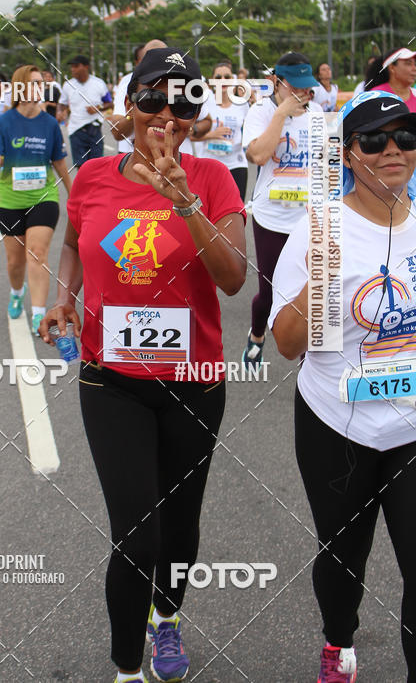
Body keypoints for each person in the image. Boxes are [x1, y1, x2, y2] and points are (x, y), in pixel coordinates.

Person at [40, 48, 246, 683]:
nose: (167, 114)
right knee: (137, 535)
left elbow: (234, 279)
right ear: (129, 108)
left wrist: (184, 199)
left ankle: (168, 623)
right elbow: (74, 241)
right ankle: (127, 667)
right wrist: (65, 298)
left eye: (184, 103)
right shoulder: (96, 176)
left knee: (181, 530)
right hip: (112, 382)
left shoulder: (213, 181)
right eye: (153, 100)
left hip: (193, 383)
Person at [269, 90, 416, 683]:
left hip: (411, 426)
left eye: (405, 139)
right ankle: (339, 642)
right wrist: (324, 276)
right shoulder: (317, 230)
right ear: (349, 155)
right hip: (336, 421)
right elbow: (285, 342)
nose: (392, 151)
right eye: (375, 141)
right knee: (343, 558)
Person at [241, 52, 323, 369]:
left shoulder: (317, 113)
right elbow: (259, 156)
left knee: (310, 291)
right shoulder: (260, 111)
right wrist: (281, 116)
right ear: (276, 82)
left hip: (308, 218)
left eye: (307, 87)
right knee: (270, 292)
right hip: (272, 217)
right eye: (295, 87)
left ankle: (309, 361)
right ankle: (258, 334)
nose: (302, 94)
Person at [0, 65, 72, 331]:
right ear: (20, 86)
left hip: (43, 197)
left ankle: (38, 313)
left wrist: (75, 195)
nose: (40, 88)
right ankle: (16, 292)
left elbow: (59, 162)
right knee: (15, 261)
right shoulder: (4, 121)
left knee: (37, 253)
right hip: (10, 201)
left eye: (41, 83)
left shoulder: (49, 123)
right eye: (34, 82)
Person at [111, 41, 211, 155]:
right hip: (130, 155)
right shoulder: (127, 83)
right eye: (150, 100)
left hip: (184, 157)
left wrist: (191, 129)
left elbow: (206, 120)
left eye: (182, 104)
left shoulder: (190, 84)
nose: (166, 116)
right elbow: (117, 133)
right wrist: (135, 113)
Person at [195, 64, 249, 200]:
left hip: (236, 164)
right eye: (218, 77)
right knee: (210, 210)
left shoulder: (242, 104)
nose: (223, 80)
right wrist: (211, 135)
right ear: (212, 81)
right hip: (210, 164)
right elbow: (190, 135)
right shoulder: (204, 103)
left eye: (227, 77)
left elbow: (249, 133)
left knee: (236, 210)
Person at [57, 55, 112, 167]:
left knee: (97, 166)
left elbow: (110, 103)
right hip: (76, 130)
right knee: (81, 166)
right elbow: (62, 103)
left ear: (86, 67)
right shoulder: (68, 85)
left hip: (94, 129)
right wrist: (59, 112)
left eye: (76, 66)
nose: (73, 69)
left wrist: (98, 108)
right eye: (72, 67)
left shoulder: (99, 83)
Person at [365, 47, 416, 111]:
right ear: (392, 67)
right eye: (408, 63)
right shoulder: (375, 96)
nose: (414, 69)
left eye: (415, 64)